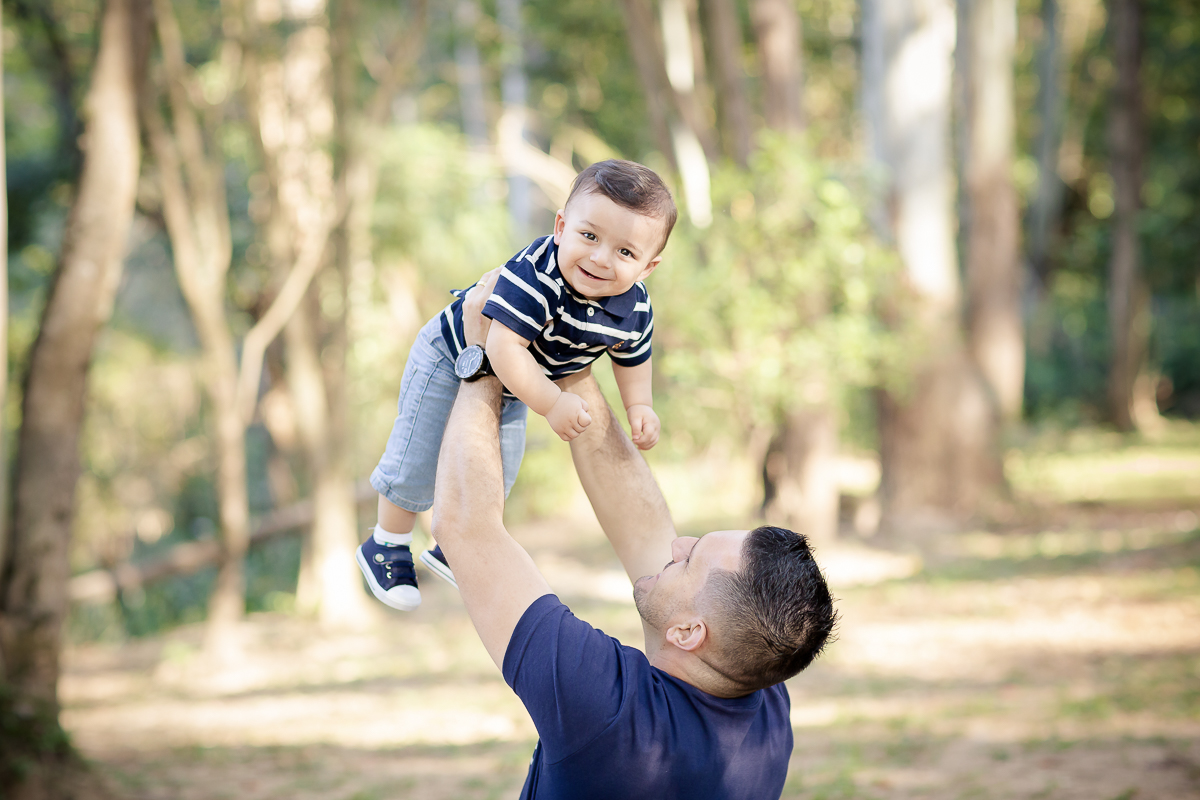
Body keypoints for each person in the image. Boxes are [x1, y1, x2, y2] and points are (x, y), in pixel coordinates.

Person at [429, 274, 839, 799]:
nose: (677, 545)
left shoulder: (608, 713)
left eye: (689, 561)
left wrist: (486, 349)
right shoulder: (762, 696)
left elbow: (466, 527)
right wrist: (571, 355)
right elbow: (643, 525)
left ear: (689, 633)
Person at [358, 159, 678, 611]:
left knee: (499, 466)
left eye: (625, 252)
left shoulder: (635, 307)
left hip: (519, 381)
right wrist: (551, 403)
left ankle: (448, 548)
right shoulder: (539, 276)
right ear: (562, 226)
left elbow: (632, 356)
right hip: (452, 354)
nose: (601, 258)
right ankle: (387, 541)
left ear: (648, 267)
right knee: (419, 449)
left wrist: (639, 407)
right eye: (589, 236)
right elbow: (502, 348)